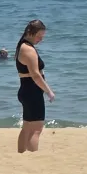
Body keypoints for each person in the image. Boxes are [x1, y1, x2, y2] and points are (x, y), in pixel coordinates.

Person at [16, 19, 54, 153]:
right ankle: (32, 156)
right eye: (39, 36)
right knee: (36, 128)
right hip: (32, 91)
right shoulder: (28, 49)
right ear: (30, 33)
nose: (40, 40)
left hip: (27, 90)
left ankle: (21, 154)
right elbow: (36, 75)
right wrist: (49, 91)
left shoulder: (22, 46)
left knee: (27, 127)